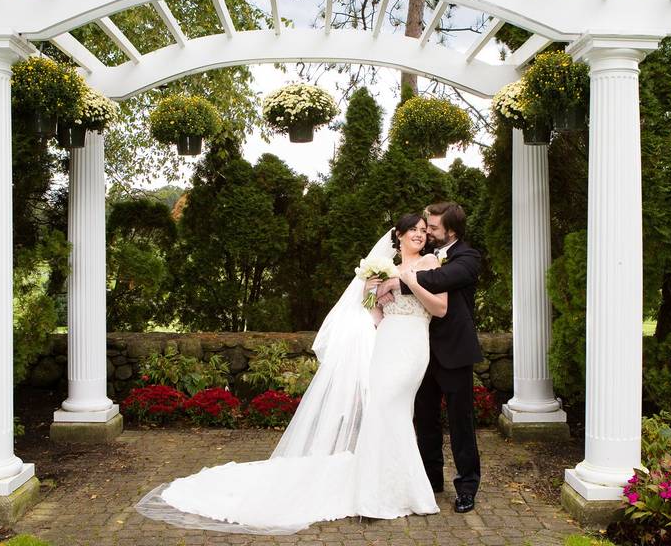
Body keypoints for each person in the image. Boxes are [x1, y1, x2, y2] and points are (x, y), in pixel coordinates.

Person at [135, 214, 449, 534]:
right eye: (413, 230)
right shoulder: (385, 267)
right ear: (398, 234)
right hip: (386, 344)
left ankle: (392, 488)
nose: (419, 235)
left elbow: (440, 308)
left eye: (424, 231)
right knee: (384, 413)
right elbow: (377, 315)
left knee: (392, 410)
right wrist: (370, 292)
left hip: (413, 347)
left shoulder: (430, 264)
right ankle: (388, 489)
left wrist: (409, 282)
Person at [378, 201, 483, 513]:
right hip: (417, 350)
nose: (428, 231)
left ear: (450, 229)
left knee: (461, 422)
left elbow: (441, 281)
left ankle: (466, 487)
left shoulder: (467, 257)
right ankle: (430, 478)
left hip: (453, 348)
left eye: (433, 227)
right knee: (424, 420)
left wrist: (398, 280)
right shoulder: (425, 257)